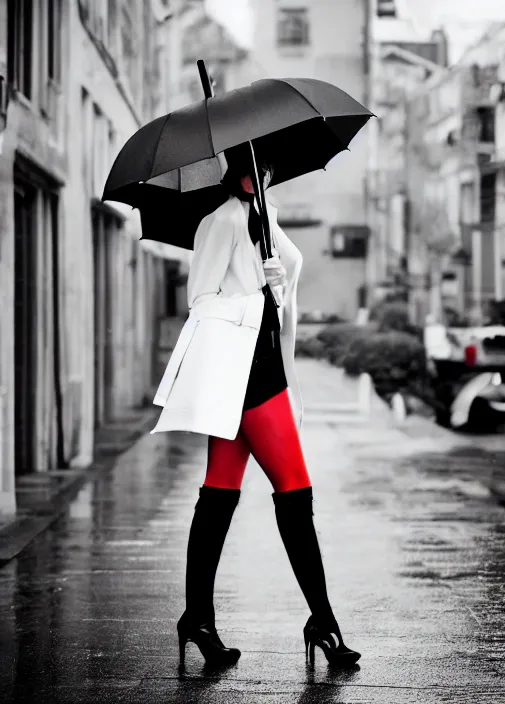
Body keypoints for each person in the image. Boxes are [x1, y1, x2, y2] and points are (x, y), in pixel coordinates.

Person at [151, 142, 361, 668]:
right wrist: (258, 297)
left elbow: (287, 274)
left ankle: (197, 616)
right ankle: (323, 622)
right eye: (245, 166)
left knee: (218, 497)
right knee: (295, 492)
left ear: (271, 170)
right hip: (245, 374)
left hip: (265, 367)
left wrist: (279, 288)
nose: (254, 174)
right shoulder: (220, 221)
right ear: (231, 169)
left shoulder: (262, 216)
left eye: (263, 166)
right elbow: (200, 302)